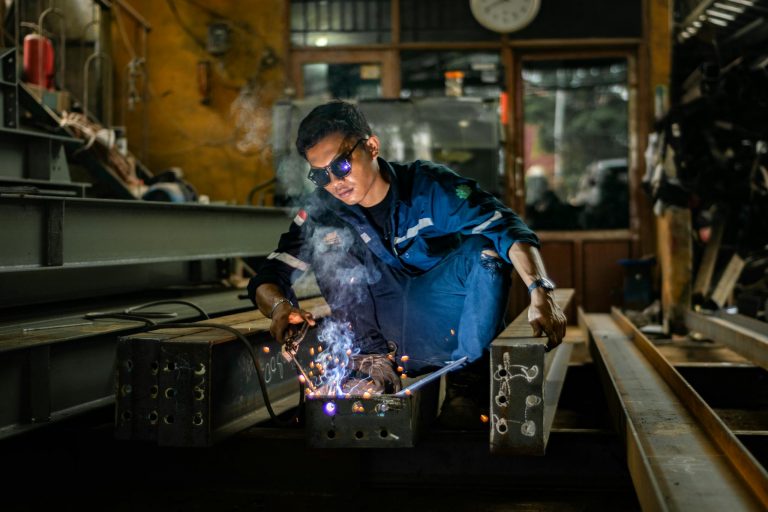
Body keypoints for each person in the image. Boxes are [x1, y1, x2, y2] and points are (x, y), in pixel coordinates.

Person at [249, 100, 566, 428]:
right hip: (384, 335)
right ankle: (371, 368)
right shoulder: (324, 212)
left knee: (485, 249)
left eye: (341, 166)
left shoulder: (429, 186)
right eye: (321, 175)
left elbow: (506, 228)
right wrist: (279, 309)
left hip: (442, 326)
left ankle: (467, 382)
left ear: (371, 146)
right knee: (329, 244)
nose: (335, 182)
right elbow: (271, 275)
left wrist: (541, 291)